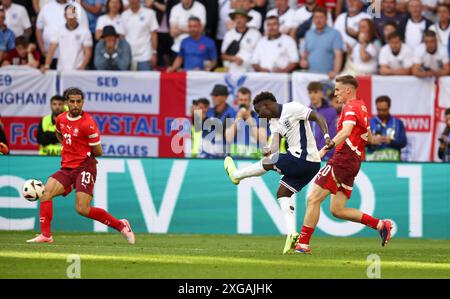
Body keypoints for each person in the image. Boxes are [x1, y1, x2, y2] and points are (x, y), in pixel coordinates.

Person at [224, 91, 331, 254]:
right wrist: (269, 149)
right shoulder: (273, 122)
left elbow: (317, 116)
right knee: (283, 193)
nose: (260, 116)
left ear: (267, 106)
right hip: (310, 165)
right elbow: (274, 145)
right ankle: (292, 235)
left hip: (303, 158)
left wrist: (326, 135)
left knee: (271, 161)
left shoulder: (292, 108)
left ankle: (236, 175)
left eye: (259, 112)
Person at [295, 75, 393, 254]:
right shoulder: (362, 107)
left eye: (338, 89)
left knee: (313, 198)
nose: (335, 93)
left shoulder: (349, 108)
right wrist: (377, 140)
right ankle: (381, 224)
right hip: (354, 162)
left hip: (343, 158)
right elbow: (369, 137)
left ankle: (303, 244)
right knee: (337, 209)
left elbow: (346, 132)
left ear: (348, 90)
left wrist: (325, 149)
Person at [26, 87, 135, 244]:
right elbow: (59, 133)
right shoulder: (61, 119)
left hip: (85, 166)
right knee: (46, 193)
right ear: (66, 103)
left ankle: (121, 225)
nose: (75, 104)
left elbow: (98, 151)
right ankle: (46, 235)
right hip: (67, 167)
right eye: (72, 101)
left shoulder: (88, 123)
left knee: (82, 209)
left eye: (78, 101)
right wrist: (69, 146)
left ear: (82, 102)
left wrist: (80, 150)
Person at [36, 0, 89, 69]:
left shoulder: (78, 8)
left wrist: (83, 65)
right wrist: (42, 49)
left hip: (75, 61)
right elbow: (39, 29)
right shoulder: (46, 7)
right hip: (50, 57)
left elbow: (85, 36)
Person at [300, 6, 343, 78]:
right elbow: (305, 53)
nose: (318, 20)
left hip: (327, 76)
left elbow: (338, 55)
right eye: (316, 17)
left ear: (326, 18)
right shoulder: (308, 34)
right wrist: (303, 60)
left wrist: (335, 71)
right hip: (310, 75)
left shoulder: (335, 34)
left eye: (321, 17)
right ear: (313, 19)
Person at [225, 87, 267, 158]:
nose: (243, 102)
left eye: (245, 100)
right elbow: (228, 138)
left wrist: (250, 120)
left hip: (254, 158)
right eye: (241, 100)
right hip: (235, 157)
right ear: (237, 101)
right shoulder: (231, 115)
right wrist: (237, 120)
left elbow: (262, 139)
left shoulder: (260, 117)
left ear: (250, 101)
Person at [366, 95, 407, 161]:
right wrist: (372, 141)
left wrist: (391, 141)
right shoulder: (369, 123)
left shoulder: (397, 123)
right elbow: (359, 142)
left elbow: (403, 142)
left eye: (384, 110)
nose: (381, 112)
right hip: (372, 164)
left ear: (389, 107)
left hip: (393, 163)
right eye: (379, 110)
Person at [122, 0, 159, 71]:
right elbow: (122, 36)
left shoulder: (149, 13)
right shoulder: (124, 15)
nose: (133, 1)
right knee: (128, 81)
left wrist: (154, 53)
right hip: (128, 57)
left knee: (146, 81)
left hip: (145, 56)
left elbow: (154, 34)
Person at [221, 8, 261, 73]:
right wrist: (234, 59)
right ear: (234, 20)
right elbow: (223, 56)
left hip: (250, 70)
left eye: (242, 17)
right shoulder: (229, 34)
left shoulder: (256, 34)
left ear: (247, 19)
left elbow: (260, 54)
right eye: (236, 18)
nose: (239, 20)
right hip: (232, 70)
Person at [201, 84, 236, 157]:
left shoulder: (232, 113)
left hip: (222, 154)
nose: (213, 97)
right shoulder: (208, 111)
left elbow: (228, 134)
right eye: (213, 95)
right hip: (206, 153)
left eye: (216, 95)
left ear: (225, 97)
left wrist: (205, 120)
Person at [307, 81, 338, 160]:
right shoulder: (305, 111)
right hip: (308, 155)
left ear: (321, 93)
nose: (312, 95)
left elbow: (332, 134)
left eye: (315, 92)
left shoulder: (331, 111)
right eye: (310, 92)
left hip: (325, 156)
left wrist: (323, 152)